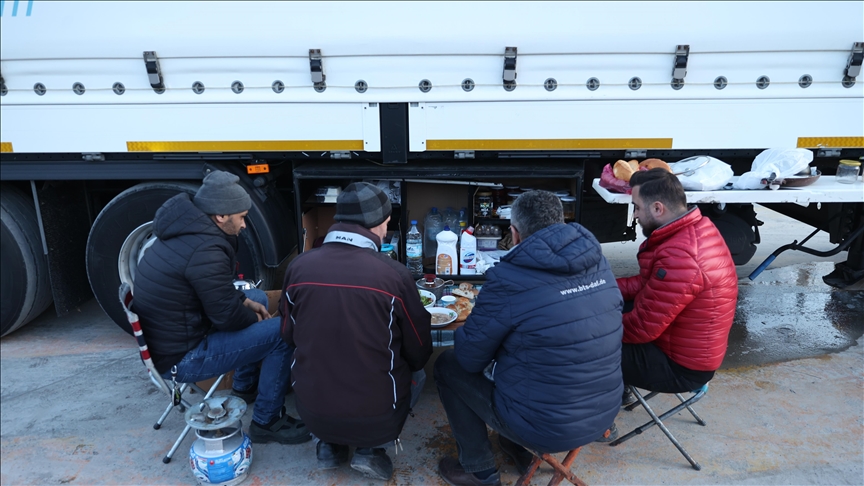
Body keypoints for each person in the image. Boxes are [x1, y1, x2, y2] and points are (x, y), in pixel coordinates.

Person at [434, 190, 624, 486]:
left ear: (514, 233)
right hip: (603, 416)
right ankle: (516, 447)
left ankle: (478, 468)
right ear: (562, 222)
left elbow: (470, 359)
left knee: (449, 365)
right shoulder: (597, 262)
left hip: (542, 427)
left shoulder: (509, 279)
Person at [133, 170, 311, 445]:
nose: (243, 225)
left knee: (259, 298)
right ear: (220, 216)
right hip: (183, 359)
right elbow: (226, 317)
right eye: (241, 217)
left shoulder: (188, 233)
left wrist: (246, 301)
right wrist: (256, 321)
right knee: (281, 331)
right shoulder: (205, 250)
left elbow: (212, 290)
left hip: (173, 339)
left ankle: (244, 386)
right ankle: (268, 420)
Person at [280, 182, 432, 481]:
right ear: (377, 224)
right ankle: (370, 449)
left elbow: (287, 335)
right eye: (387, 224)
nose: (386, 232)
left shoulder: (298, 267)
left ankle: (328, 444)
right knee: (421, 373)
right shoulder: (394, 275)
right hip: (377, 418)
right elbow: (419, 349)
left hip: (312, 412)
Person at [617, 168, 738, 403]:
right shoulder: (695, 229)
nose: (635, 216)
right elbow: (645, 283)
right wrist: (598, 288)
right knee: (605, 308)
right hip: (684, 348)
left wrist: (589, 325)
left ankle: (597, 418)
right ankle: (617, 391)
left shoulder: (680, 255)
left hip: (680, 367)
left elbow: (642, 328)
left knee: (581, 344)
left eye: (637, 207)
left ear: (657, 208)